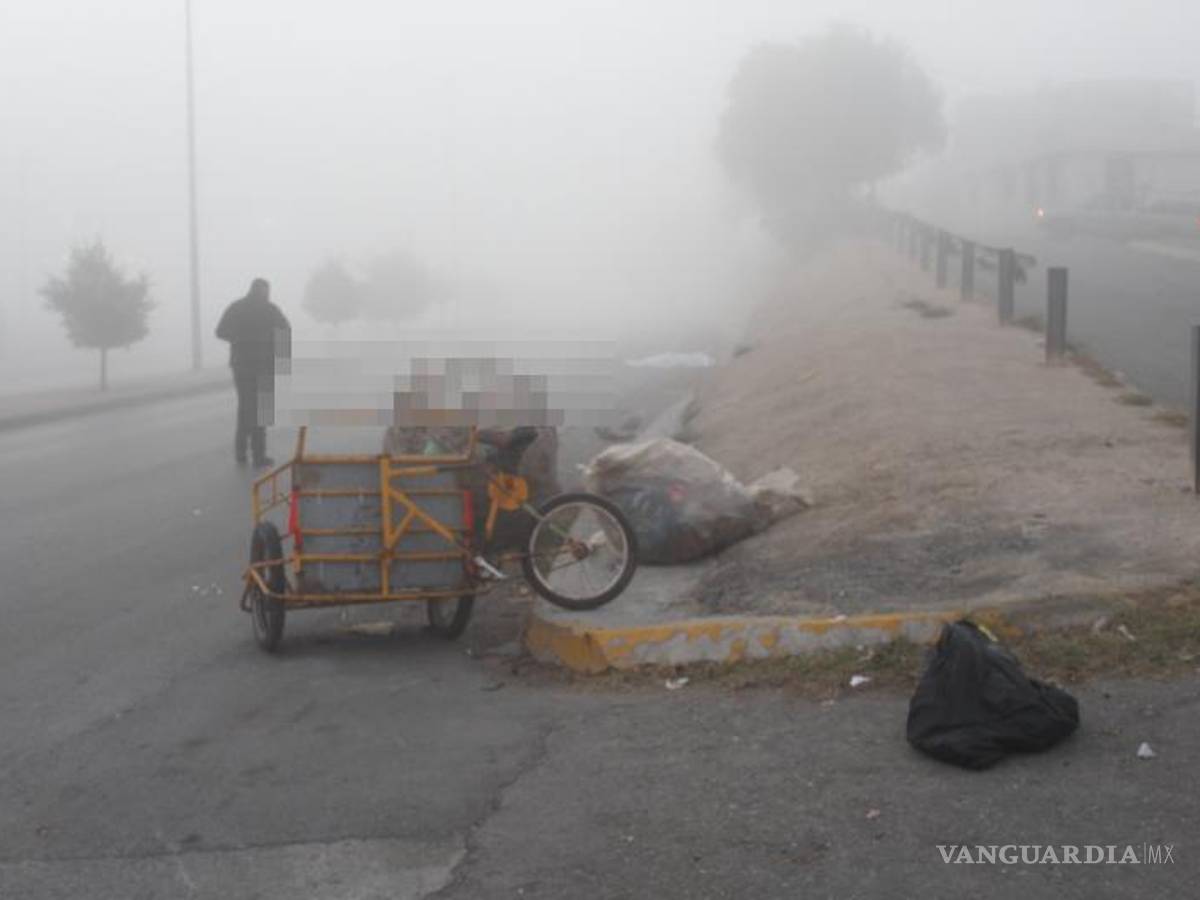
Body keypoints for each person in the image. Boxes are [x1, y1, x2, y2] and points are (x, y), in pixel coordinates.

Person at [215, 278, 291, 467]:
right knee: (260, 411)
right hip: (261, 365)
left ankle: (241, 453)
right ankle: (258, 455)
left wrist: (239, 338)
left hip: (243, 365)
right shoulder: (270, 309)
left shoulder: (237, 308)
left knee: (246, 408)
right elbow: (286, 332)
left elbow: (221, 331)